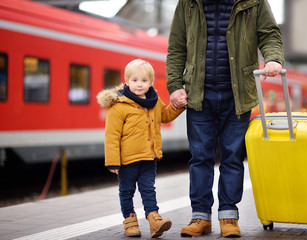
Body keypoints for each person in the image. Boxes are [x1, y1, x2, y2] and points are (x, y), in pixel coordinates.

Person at [166, 0, 284, 237]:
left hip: (238, 93)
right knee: (200, 158)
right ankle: (200, 217)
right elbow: (177, 46)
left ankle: (229, 216)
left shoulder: (255, 2)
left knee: (232, 157)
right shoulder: (187, 3)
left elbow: (270, 34)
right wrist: (174, 85)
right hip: (199, 93)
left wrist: (273, 58)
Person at [97, 59, 185, 238]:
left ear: (151, 82)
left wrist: (179, 107)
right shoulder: (119, 105)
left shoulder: (154, 101)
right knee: (127, 191)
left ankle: (154, 220)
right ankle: (130, 223)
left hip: (148, 158)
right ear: (127, 81)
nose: (139, 84)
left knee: (148, 189)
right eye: (135, 80)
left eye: (144, 81)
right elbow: (112, 135)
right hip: (127, 160)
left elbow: (165, 116)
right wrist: (113, 162)